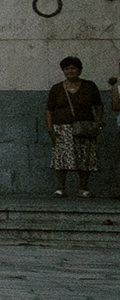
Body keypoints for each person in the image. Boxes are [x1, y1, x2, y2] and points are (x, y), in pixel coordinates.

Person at [48, 56, 102, 199]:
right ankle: (61, 188)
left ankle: (83, 188)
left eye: (73, 68)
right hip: (62, 127)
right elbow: (49, 110)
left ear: (79, 70)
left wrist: (98, 122)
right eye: (67, 69)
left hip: (85, 127)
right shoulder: (57, 88)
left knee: (85, 157)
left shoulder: (90, 86)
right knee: (61, 158)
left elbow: (99, 105)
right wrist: (50, 128)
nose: (70, 71)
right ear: (63, 71)